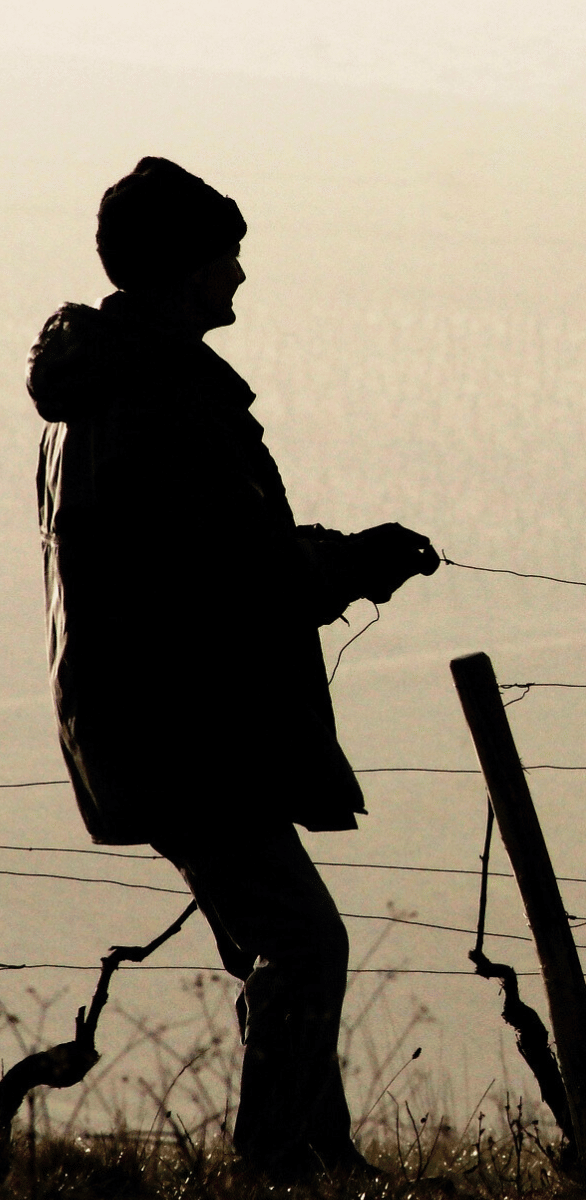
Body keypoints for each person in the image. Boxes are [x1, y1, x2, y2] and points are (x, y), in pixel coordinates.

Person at [27, 156, 438, 1182]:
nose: (242, 277)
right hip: (179, 725)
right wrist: (360, 562)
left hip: (148, 717)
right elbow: (235, 577)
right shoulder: (159, 402)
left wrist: (339, 554)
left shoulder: (113, 389)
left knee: (274, 941)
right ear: (185, 269)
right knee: (303, 942)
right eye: (228, 257)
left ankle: (318, 1152)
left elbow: (218, 547)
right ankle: (283, 1162)